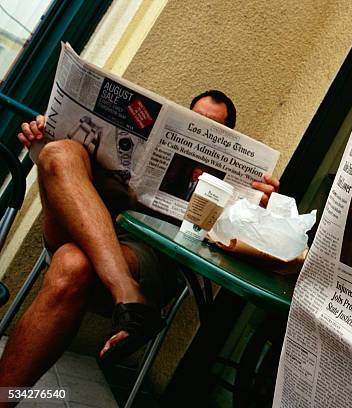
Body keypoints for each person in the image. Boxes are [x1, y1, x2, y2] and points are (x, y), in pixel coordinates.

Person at [0, 90, 279, 395]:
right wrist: (43, 137)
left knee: (71, 263)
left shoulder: (228, 184)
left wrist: (257, 208)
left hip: (145, 254)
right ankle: (129, 295)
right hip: (83, 223)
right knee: (57, 152)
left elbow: (236, 242)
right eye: (195, 120)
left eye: (213, 127)